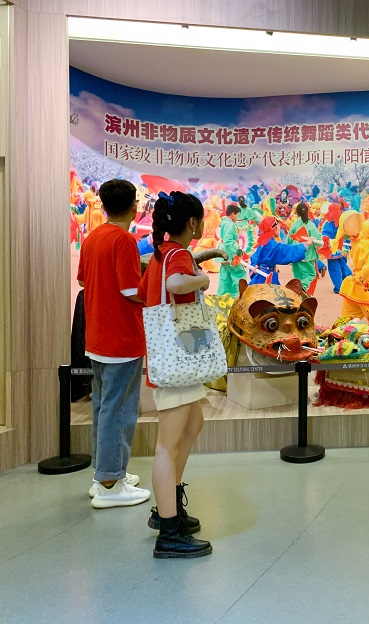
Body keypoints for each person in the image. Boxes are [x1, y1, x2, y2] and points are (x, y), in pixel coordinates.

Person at [139, 191, 212, 559]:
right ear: (192, 223)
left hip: (176, 358)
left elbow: (145, 294)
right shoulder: (178, 255)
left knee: (193, 424)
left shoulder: (161, 254)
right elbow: (175, 285)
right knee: (168, 445)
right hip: (178, 359)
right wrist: (202, 280)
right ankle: (168, 528)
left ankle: (169, 505)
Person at [77, 179, 152, 509]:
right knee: (118, 410)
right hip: (121, 337)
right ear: (134, 206)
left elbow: (83, 280)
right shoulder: (124, 240)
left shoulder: (93, 237)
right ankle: (110, 483)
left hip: (97, 336)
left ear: (104, 205)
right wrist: (157, 288)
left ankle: (106, 475)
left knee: (104, 408)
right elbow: (131, 291)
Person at [248, 216, 308, 285]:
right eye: (278, 226)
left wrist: (255, 265)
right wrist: (304, 245)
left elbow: (255, 257)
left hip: (260, 276)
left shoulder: (263, 241)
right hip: (268, 278)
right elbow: (286, 250)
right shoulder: (272, 245)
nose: (280, 228)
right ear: (275, 228)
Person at [287, 201, 322, 290]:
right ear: (307, 211)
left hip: (296, 253)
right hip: (308, 255)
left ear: (297, 213)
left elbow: (288, 240)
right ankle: (304, 288)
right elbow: (318, 240)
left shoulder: (294, 224)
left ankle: (299, 292)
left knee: (297, 276)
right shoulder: (311, 225)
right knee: (311, 274)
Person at [217, 204, 247, 297]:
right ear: (233, 214)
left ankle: (222, 296)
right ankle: (238, 295)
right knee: (239, 273)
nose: (237, 217)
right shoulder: (230, 224)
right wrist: (237, 248)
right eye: (237, 215)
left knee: (225, 275)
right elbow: (228, 240)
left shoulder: (224, 222)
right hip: (230, 253)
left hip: (223, 253)